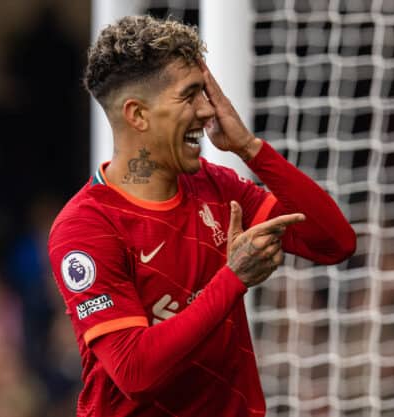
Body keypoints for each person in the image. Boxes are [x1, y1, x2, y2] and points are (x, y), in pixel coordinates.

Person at [48, 15, 356, 417]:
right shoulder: (85, 227)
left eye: (205, 93)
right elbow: (135, 371)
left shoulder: (216, 187)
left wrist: (249, 147)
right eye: (190, 95)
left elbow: (334, 242)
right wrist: (232, 280)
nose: (207, 110)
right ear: (138, 115)